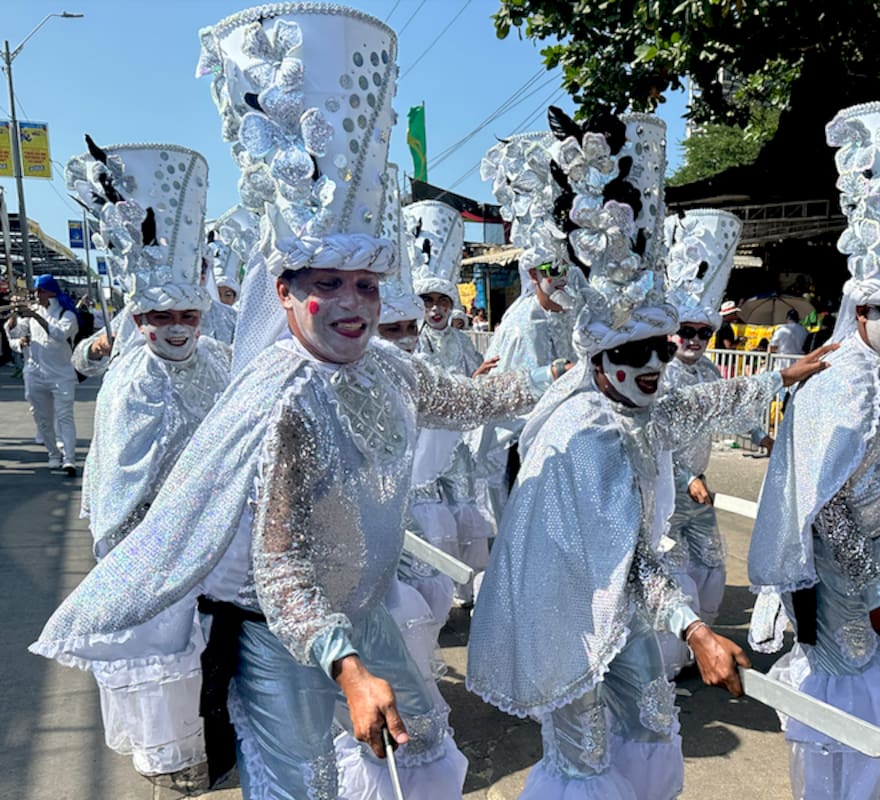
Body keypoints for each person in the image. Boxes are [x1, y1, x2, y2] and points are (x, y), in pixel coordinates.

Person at [32, 7, 557, 797]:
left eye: (366, 285)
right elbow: (279, 572)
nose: (352, 304)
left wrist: (571, 375)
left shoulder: (383, 367)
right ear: (282, 291)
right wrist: (346, 667)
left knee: (425, 749)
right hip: (282, 634)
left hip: (363, 610)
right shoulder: (283, 399)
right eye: (326, 284)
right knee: (299, 785)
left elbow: (462, 398)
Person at [467, 108, 834, 798]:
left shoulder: (635, 404)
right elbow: (631, 558)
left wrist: (782, 375)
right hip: (567, 617)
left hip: (617, 602)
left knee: (651, 718)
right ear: (598, 358)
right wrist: (693, 628)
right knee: (585, 756)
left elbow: (697, 404)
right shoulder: (592, 433)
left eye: (659, 349)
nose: (653, 367)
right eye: (631, 354)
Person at [747, 96, 880, 800]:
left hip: (869, 560)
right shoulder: (852, 382)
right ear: (861, 310)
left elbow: (864, 461)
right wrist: (873, 592)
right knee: (850, 698)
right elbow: (827, 503)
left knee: (866, 696)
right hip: (842, 569)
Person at [66, 140, 231, 784]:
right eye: (160, 315)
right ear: (139, 317)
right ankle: (173, 753)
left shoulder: (215, 357)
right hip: (153, 539)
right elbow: (121, 470)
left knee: (212, 649)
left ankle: (209, 734)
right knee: (166, 648)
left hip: (215, 535)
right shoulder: (131, 380)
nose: (176, 326)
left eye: (186, 313)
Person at [657, 208, 787, 677]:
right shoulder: (657, 374)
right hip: (664, 492)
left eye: (703, 333)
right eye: (686, 331)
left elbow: (731, 407)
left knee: (712, 567)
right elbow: (655, 436)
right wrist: (686, 476)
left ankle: (700, 647)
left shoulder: (709, 371)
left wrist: (760, 434)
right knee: (672, 574)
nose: (694, 340)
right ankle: (671, 656)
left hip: (698, 492)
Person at [472, 130, 579, 524]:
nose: (563, 278)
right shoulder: (523, 324)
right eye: (553, 270)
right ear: (533, 274)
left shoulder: (571, 312)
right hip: (526, 448)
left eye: (568, 267)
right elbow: (521, 401)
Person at [408, 200, 496, 608]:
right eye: (428, 302)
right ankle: (431, 595)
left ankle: (469, 591)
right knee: (431, 521)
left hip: (458, 444)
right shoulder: (409, 343)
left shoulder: (461, 341)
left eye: (442, 301)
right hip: (421, 445)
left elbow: (478, 377)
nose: (437, 309)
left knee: (464, 512)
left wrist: (484, 381)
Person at [6, 273, 79, 474]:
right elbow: (13, 333)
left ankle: (69, 458)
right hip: (35, 373)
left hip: (61, 375)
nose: (36, 294)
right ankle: (54, 454)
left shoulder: (67, 315)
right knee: (42, 419)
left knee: (65, 417)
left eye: (40, 291)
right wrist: (14, 313)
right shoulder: (31, 313)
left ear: (51, 293)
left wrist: (36, 316)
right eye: (35, 291)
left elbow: (60, 335)